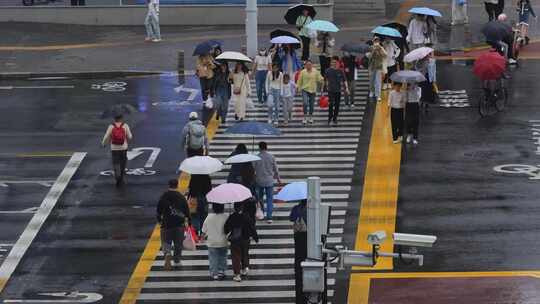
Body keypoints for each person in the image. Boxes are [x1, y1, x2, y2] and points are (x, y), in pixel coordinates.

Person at [156, 179, 190, 270]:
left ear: (169, 185)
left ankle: (167, 254)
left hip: (166, 223)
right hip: (179, 224)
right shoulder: (181, 197)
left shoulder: (164, 196)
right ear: (177, 185)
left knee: (166, 241)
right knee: (178, 243)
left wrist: (159, 220)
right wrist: (188, 222)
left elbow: (159, 210)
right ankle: (177, 260)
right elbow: (186, 211)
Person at [224, 202, 259, 282]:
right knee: (245, 253)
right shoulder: (246, 216)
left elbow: (226, 228)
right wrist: (255, 237)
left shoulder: (232, 216)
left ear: (234, 208)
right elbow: (252, 227)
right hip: (245, 239)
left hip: (235, 240)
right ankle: (244, 268)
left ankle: (237, 274)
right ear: (242, 208)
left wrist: (227, 232)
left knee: (236, 256)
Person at [101, 114, 133, 187]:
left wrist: (103, 144)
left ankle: (117, 177)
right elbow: (130, 137)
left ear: (114, 119)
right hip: (123, 148)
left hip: (114, 148)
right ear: (121, 118)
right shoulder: (125, 125)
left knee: (116, 163)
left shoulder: (111, 126)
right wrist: (126, 139)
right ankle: (121, 177)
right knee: (123, 163)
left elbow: (106, 136)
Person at [253, 141, 281, 223]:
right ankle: (269, 217)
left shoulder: (256, 157)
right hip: (269, 181)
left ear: (259, 147)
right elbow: (276, 169)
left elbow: (252, 169)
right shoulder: (271, 157)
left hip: (259, 181)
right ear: (266, 147)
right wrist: (278, 178)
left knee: (260, 198)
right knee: (269, 199)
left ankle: (261, 215)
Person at [202, 203, 229, 280]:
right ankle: (221, 271)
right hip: (223, 241)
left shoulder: (209, 217)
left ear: (213, 208)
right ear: (223, 208)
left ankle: (214, 273)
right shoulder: (226, 216)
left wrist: (202, 236)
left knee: (213, 258)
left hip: (212, 242)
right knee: (223, 257)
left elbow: (204, 229)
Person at [290, 199, 308, 304]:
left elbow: (291, 218)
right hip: (306, 237)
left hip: (297, 236)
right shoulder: (310, 210)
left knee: (298, 259)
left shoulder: (296, 208)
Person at [296, 60, 324, 125]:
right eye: (307, 65)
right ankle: (305, 117)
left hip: (313, 90)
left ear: (312, 65)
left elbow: (320, 78)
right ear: (305, 65)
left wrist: (322, 80)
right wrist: (297, 87)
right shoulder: (303, 72)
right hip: (305, 89)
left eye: (310, 64)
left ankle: (310, 117)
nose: (309, 66)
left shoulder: (316, 71)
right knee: (305, 103)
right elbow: (299, 80)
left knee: (311, 105)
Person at [325, 57, 349, 125]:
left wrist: (346, 88)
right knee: (331, 104)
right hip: (330, 90)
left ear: (337, 63)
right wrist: (326, 86)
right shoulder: (328, 70)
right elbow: (326, 79)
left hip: (338, 90)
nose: (334, 64)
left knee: (337, 105)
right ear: (331, 63)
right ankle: (330, 118)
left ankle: (335, 118)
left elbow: (344, 80)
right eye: (333, 62)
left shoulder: (340, 71)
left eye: (335, 62)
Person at [367, 37, 387, 102]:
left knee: (378, 81)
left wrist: (380, 49)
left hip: (379, 67)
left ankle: (378, 95)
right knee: (372, 80)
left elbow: (385, 55)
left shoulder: (381, 48)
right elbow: (368, 56)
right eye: (375, 41)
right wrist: (373, 50)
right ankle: (372, 91)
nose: (376, 42)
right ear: (373, 42)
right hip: (372, 67)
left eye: (377, 41)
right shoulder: (370, 48)